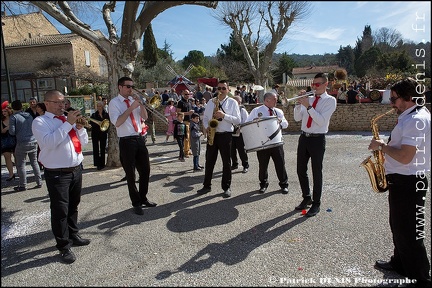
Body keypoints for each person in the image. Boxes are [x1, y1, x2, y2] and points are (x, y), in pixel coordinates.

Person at [368, 78, 431, 287]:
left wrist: (382, 146)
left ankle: (421, 278)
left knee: (410, 232)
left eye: (394, 99)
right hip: (404, 179)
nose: (391, 104)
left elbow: (405, 156)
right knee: (399, 227)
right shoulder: (412, 116)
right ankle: (400, 264)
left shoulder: (414, 120)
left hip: (408, 180)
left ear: (409, 98)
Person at [32, 90, 90, 264]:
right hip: (57, 173)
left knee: (73, 205)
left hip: (76, 169)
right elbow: (48, 143)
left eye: (63, 102)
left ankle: (73, 234)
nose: (61, 105)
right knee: (60, 211)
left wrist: (79, 129)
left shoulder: (67, 120)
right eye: (57, 102)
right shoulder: (40, 122)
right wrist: (67, 125)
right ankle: (63, 246)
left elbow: (83, 143)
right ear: (46, 103)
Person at [108, 76, 156, 216]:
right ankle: (136, 203)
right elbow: (117, 122)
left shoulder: (133, 100)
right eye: (128, 86)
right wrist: (130, 108)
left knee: (145, 171)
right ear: (120, 87)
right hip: (126, 141)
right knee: (130, 174)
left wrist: (140, 104)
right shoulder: (114, 103)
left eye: (132, 86)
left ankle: (143, 198)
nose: (131, 89)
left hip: (139, 138)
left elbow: (145, 117)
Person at [293, 73, 337, 217]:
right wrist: (298, 104)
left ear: (325, 84)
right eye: (313, 84)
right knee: (300, 169)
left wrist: (309, 106)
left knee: (316, 171)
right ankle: (307, 197)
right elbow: (297, 118)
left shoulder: (330, 101)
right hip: (304, 137)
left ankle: (316, 203)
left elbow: (321, 121)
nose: (314, 87)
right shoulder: (309, 99)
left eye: (317, 84)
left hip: (317, 139)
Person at [197, 80, 241, 198]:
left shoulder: (232, 102)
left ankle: (226, 187)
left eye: (223, 88)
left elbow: (238, 120)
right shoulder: (211, 102)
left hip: (225, 135)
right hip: (213, 134)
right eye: (219, 88)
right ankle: (206, 186)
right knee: (209, 161)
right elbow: (205, 118)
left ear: (228, 90)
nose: (221, 91)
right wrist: (206, 127)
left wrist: (224, 116)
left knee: (226, 162)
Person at [246, 92, 289, 194]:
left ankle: (284, 184)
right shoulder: (256, 111)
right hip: (262, 143)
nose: (276, 101)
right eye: (274, 99)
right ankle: (263, 184)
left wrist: (280, 121)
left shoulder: (278, 111)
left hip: (277, 143)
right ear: (266, 100)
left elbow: (286, 124)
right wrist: (254, 121)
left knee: (280, 164)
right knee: (263, 165)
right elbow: (247, 123)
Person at [9, 100, 43, 191]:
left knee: (21, 165)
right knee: (34, 162)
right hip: (33, 140)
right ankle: (39, 182)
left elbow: (12, 132)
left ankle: (23, 185)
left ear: (13, 107)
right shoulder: (29, 115)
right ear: (21, 107)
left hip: (21, 142)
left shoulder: (14, 117)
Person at [230, 95, 249, 174]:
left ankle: (245, 165)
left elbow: (246, 121)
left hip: (240, 133)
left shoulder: (242, 110)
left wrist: (240, 128)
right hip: (231, 132)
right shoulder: (230, 110)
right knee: (231, 150)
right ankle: (234, 164)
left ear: (239, 102)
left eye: (236, 101)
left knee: (241, 150)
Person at [90, 100, 110, 170]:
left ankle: (102, 163)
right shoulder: (93, 115)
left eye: (100, 106)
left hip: (103, 133)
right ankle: (97, 163)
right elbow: (91, 124)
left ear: (103, 106)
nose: (99, 107)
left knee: (102, 148)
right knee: (96, 148)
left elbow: (107, 123)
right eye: (98, 106)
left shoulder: (106, 114)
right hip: (95, 133)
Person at [176, 89, 195, 157]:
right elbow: (178, 112)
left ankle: (188, 150)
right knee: (186, 137)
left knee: (190, 137)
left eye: (188, 94)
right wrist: (188, 113)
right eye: (186, 94)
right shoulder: (180, 102)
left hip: (189, 121)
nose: (187, 96)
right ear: (183, 94)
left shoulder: (189, 102)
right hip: (184, 121)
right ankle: (186, 151)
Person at [1, 101, 16, 181]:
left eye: (5, 111)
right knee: (7, 158)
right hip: (5, 141)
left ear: (9, 111)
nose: (4, 113)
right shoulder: (1, 120)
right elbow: (2, 131)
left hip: (14, 139)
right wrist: (7, 128)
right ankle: (11, 174)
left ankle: (20, 173)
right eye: (2, 112)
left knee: (17, 157)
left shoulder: (13, 118)